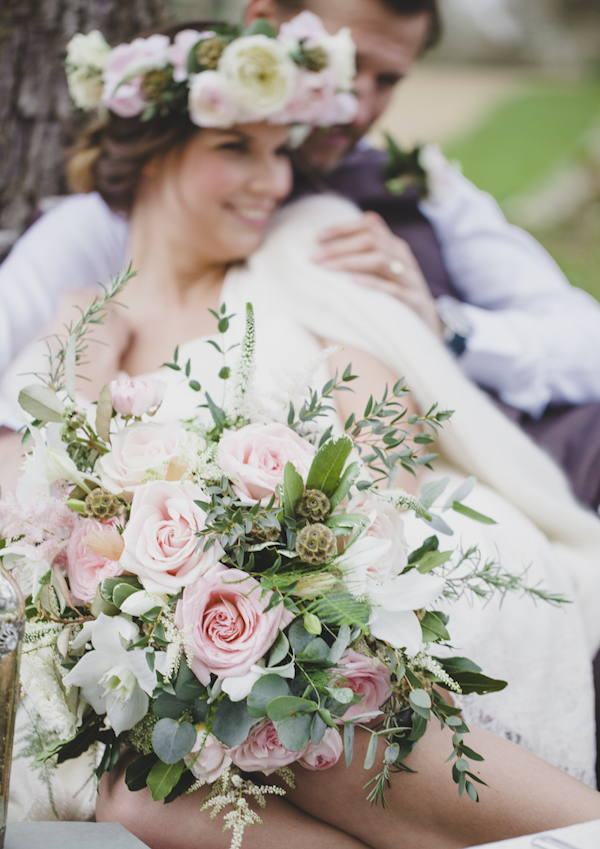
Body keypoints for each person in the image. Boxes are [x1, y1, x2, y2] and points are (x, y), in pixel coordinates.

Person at [4, 16, 600, 847]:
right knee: (142, 800)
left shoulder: (302, 259)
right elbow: (26, 511)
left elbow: (395, 446)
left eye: (282, 150)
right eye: (237, 149)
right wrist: (80, 367)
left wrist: (292, 561)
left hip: (352, 583)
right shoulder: (83, 316)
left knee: (298, 723)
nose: (273, 180)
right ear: (152, 153)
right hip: (184, 637)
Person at [2, 0, 600, 515]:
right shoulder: (101, 231)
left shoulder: (429, 192)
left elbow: (584, 343)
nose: (358, 105)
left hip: (517, 460)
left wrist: (447, 328)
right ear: (268, 23)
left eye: (388, 80)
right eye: (349, 63)